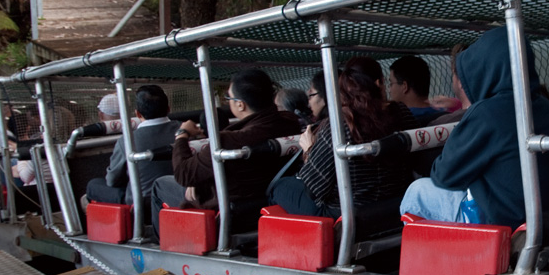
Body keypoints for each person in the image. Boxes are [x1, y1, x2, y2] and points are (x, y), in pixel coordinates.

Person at [400, 27, 549, 228]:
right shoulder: (544, 106)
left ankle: (439, 258)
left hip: (506, 224)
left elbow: (444, 176)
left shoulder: (487, 113)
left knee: (417, 191)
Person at [151, 69, 300, 230]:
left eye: (228, 97)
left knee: (160, 185)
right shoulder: (290, 122)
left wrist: (182, 135)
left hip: (228, 209)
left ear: (240, 104)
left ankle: (166, 242)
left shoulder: (228, 140)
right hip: (266, 202)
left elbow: (184, 174)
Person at [271, 66, 414, 217]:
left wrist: (309, 150)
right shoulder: (400, 113)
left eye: (311, 95)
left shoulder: (339, 125)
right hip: (395, 204)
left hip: (344, 214)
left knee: (279, 187)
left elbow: (313, 189)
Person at [84, 85, 174, 209]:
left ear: (137, 113)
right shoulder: (186, 131)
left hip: (141, 204)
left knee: (93, 185)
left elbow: (112, 180)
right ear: (169, 109)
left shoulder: (128, 141)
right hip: (176, 196)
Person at [387, 56, 439, 123]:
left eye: (391, 83)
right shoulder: (445, 114)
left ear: (404, 86)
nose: (389, 90)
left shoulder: (399, 122)